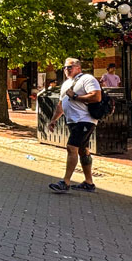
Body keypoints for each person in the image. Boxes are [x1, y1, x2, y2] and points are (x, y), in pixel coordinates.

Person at [46, 58, 101, 193]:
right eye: (64, 68)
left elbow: (96, 97)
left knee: (71, 148)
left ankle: (65, 182)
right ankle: (89, 182)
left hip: (85, 120)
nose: (66, 70)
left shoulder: (87, 79)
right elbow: (61, 105)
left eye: (69, 67)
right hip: (72, 121)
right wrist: (53, 120)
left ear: (78, 67)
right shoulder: (66, 84)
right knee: (82, 150)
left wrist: (75, 96)